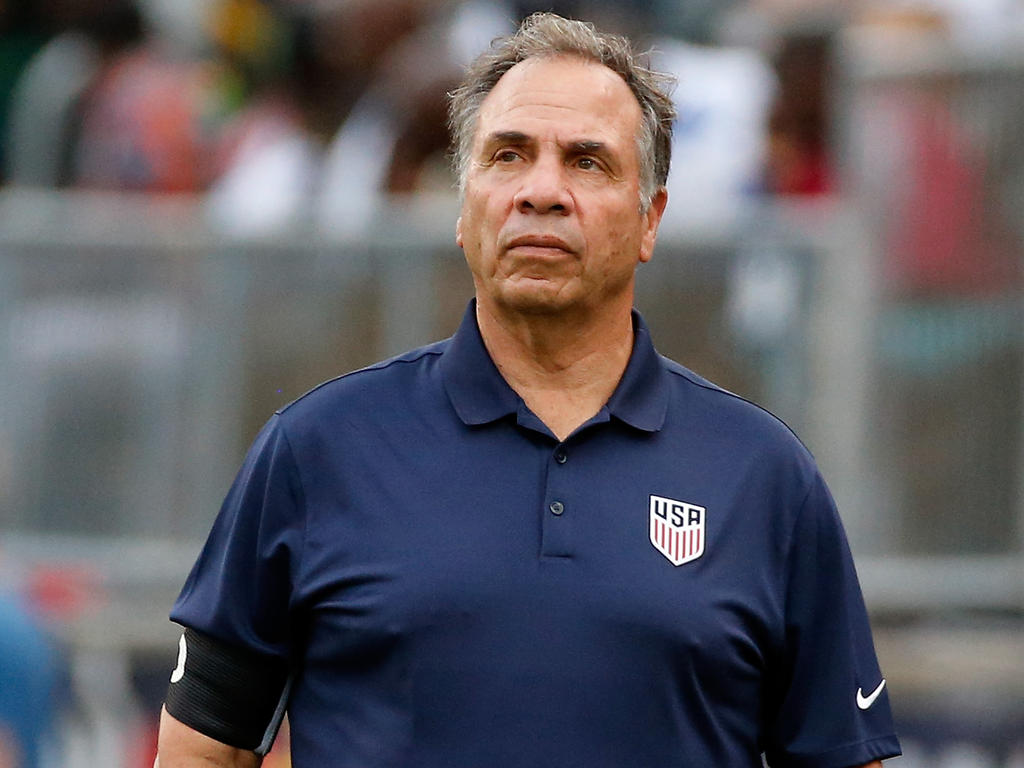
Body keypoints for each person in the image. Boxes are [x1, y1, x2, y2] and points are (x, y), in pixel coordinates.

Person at [155, 12, 902, 768]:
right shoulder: (315, 449)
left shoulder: (765, 476)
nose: (541, 191)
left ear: (651, 219)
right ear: (462, 202)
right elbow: (200, 752)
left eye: (587, 162)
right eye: (508, 156)